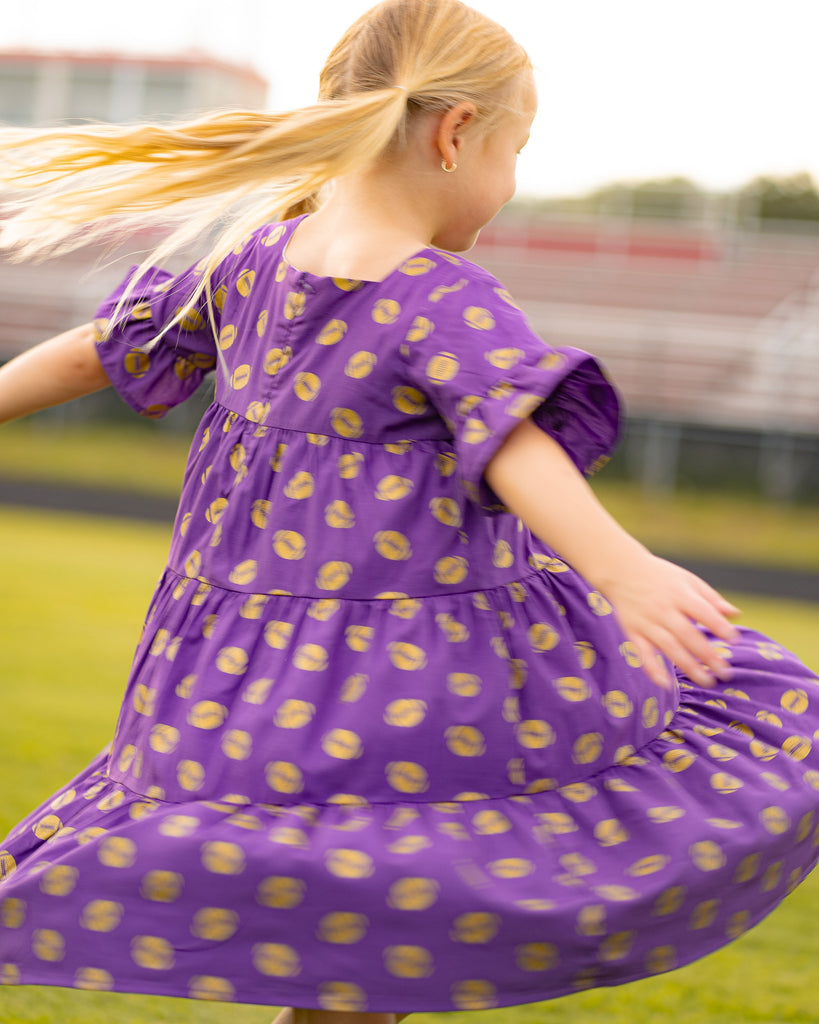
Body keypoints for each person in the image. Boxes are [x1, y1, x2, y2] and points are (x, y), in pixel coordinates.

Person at [0, 1, 818, 1022]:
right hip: (403, 683)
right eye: (517, 150)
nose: (509, 184)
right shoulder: (439, 296)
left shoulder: (249, 262)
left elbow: (93, 348)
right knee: (376, 904)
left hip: (242, 681)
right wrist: (624, 571)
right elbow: (519, 442)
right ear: (455, 133)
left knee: (346, 927)